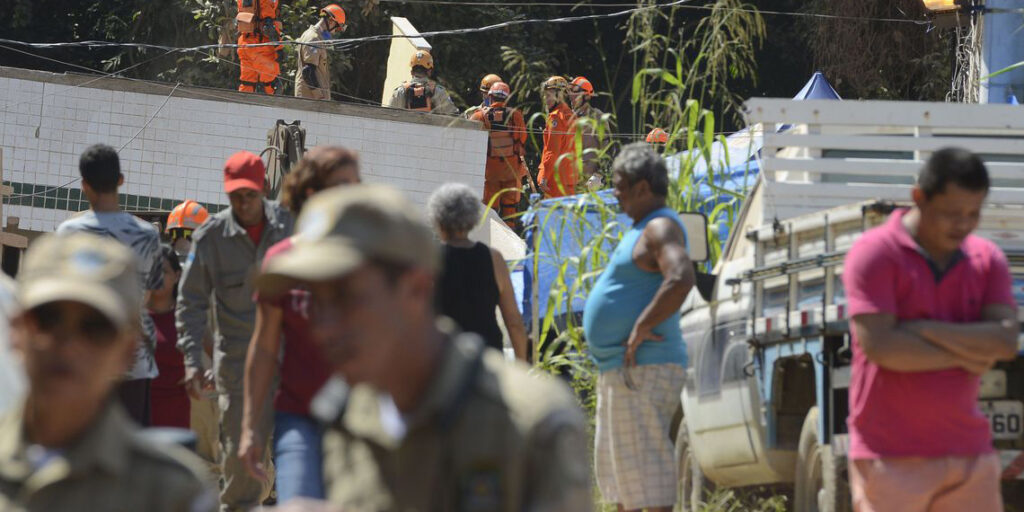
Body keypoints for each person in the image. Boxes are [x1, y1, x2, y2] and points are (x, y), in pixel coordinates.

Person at [255, 184, 591, 511]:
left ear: (416, 289)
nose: (322, 327)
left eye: (345, 297)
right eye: (314, 300)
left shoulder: (530, 422)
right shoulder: (346, 415)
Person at [842, 148, 1019, 512]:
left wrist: (922, 328)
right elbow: (883, 347)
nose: (963, 224)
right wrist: (972, 354)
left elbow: (1004, 340)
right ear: (919, 198)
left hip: (970, 457)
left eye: (973, 214)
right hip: (890, 457)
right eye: (952, 214)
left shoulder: (987, 260)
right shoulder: (874, 254)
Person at [0, 232, 216, 511]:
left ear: (126, 352)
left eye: (95, 328)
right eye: (48, 319)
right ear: (16, 331)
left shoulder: (172, 492)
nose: (69, 346)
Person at [239, 146, 361, 502]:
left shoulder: (368, 262)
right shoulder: (282, 262)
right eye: (342, 185)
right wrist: (250, 428)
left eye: (356, 185)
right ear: (312, 193)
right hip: (299, 419)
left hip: (361, 423)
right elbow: (263, 348)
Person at [177, 151, 294, 512]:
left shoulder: (289, 228)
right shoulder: (211, 237)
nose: (242, 203)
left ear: (263, 189)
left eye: (249, 195)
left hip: (288, 364)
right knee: (240, 454)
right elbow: (190, 302)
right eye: (235, 196)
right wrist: (194, 360)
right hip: (238, 366)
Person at [582, 143, 695, 512]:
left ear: (643, 187)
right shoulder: (642, 228)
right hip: (625, 371)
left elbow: (680, 276)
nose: (615, 193)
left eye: (620, 185)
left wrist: (642, 326)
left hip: (643, 367)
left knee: (646, 477)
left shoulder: (661, 225)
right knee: (624, 482)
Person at [57, 143, 163, 427]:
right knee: (130, 458)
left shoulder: (68, 234)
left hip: (84, 360)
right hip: (132, 360)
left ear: (84, 185)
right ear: (120, 180)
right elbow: (151, 296)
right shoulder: (147, 235)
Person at [427, 183, 528, 361]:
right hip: (488, 359)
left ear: (437, 220)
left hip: (446, 361)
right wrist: (521, 368)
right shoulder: (494, 259)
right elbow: (513, 322)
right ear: (474, 219)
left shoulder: (430, 260)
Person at [167, 199, 221, 480]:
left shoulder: (158, 269)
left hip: (162, 379)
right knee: (205, 459)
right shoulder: (210, 271)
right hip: (201, 378)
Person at [470, 81, 527, 224]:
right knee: (510, 209)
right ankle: (511, 240)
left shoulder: (479, 116)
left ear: (490, 97)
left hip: (490, 172)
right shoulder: (516, 116)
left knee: (490, 210)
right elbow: (522, 138)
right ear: (507, 98)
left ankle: (492, 241)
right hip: (511, 170)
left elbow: (471, 140)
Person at [149, 245, 190, 428]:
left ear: (177, 275)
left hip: (176, 416)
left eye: (163, 271)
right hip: (138, 414)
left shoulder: (187, 315)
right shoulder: (134, 315)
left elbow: (215, 353)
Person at [295, 5, 347, 100]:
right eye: (337, 28)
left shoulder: (318, 38)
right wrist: (319, 96)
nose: (335, 32)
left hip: (314, 101)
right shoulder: (313, 37)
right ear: (331, 21)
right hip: (310, 100)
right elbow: (308, 72)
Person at [537, 76, 578, 198]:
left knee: (553, 215)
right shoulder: (571, 115)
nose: (546, 99)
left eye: (549, 95)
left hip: (555, 178)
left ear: (559, 95)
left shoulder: (555, 117)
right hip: (569, 178)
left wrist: (544, 176)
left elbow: (552, 151)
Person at [387, 50, 459, 115]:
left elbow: (388, 114)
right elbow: (454, 115)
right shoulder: (439, 92)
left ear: (411, 72)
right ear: (429, 72)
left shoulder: (400, 91)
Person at [235, 0, 282, 94]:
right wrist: (278, 47)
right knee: (270, 84)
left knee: (247, 83)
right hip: (263, 45)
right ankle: (269, 106)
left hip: (245, 43)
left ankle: (243, 106)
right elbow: (269, 26)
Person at [569, 76, 606, 186]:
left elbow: (607, 146)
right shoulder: (568, 117)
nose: (571, 96)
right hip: (570, 180)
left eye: (575, 93)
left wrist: (599, 175)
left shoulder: (597, 117)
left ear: (586, 96)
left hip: (590, 181)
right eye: (570, 93)